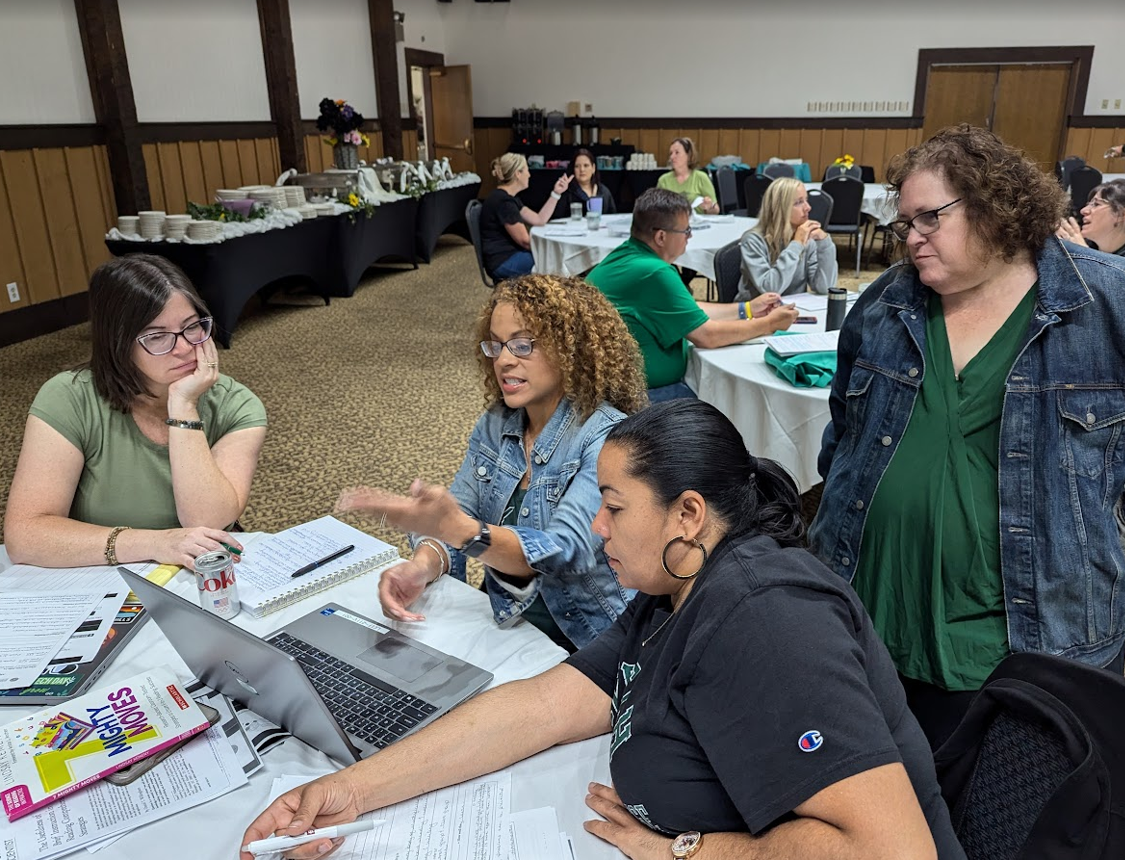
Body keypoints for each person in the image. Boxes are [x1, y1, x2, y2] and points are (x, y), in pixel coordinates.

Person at [240, 401, 965, 860]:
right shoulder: (674, 587)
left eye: (613, 506)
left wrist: (688, 851)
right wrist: (353, 790)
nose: (596, 525)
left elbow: (891, 849)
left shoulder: (767, 621)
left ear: (686, 514)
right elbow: (546, 703)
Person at [807, 124, 1125, 750]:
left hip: (1036, 628)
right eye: (905, 224)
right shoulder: (887, 303)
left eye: (929, 218)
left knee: (1007, 813)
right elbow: (845, 426)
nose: (910, 240)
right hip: (875, 614)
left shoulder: (1120, 299)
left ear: (994, 207)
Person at [335, 274, 647, 652]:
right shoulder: (496, 423)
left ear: (571, 349)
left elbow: (566, 550)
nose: (503, 360)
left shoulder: (605, 435)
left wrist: (463, 531)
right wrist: (422, 564)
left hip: (586, 637)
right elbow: (458, 512)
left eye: (522, 344)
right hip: (507, 617)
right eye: (496, 346)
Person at [4, 254, 267, 571]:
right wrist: (156, 544)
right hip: (96, 576)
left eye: (193, 327)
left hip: (200, 576)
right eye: (157, 337)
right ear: (118, 344)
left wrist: (184, 406)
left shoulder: (237, 405)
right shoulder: (69, 398)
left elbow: (207, 520)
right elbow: (25, 535)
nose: (184, 347)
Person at [588, 189, 798, 402]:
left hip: (609, 391)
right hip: (640, 399)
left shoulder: (626, 256)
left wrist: (748, 309)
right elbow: (708, 336)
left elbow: (687, 309)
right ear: (661, 236)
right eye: (686, 230)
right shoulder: (654, 272)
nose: (690, 236)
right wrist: (770, 324)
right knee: (733, 400)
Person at [737, 177, 839, 301]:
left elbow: (824, 287)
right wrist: (796, 245)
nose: (808, 207)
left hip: (793, 309)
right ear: (780, 209)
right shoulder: (753, 240)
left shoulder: (807, 239)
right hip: (755, 314)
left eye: (806, 200)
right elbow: (770, 290)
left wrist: (824, 244)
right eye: (799, 202)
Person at [480, 153, 571, 280]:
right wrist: (552, 249)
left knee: (555, 261)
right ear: (518, 174)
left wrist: (556, 193)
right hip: (503, 262)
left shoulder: (509, 198)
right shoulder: (504, 203)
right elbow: (525, 242)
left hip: (508, 256)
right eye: (527, 170)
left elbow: (539, 220)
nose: (529, 174)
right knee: (554, 265)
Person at [657, 137, 719, 215]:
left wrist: (709, 208)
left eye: (677, 152)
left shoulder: (701, 177)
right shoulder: (663, 180)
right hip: (672, 225)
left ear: (688, 156)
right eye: (671, 153)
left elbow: (716, 210)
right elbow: (658, 210)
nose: (672, 157)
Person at [553, 148, 617, 219]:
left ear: (593, 168)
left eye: (586, 165)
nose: (582, 170)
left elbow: (612, 217)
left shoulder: (604, 192)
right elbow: (557, 219)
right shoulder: (566, 193)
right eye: (577, 166)